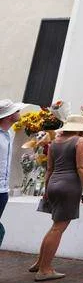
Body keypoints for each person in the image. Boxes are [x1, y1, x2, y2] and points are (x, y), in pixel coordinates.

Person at [30, 115, 83, 281]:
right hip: (69, 185)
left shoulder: (54, 142)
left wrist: (46, 189)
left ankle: (40, 263)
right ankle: (45, 270)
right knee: (58, 228)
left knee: (54, 227)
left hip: (54, 183)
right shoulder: (80, 141)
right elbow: (81, 166)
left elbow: (49, 169)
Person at [0, 99, 25, 249]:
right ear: (8, 116)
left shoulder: (8, 134)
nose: (18, 113)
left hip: (3, 190)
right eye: (16, 111)